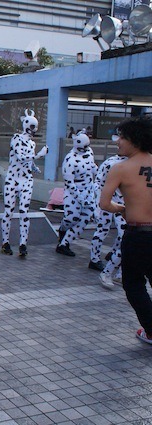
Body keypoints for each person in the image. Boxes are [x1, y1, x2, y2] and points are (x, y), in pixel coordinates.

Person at [99, 116, 152, 344]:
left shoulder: (120, 168)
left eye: (121, 137)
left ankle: (151, 329)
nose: (117, 141)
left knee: (133, 285)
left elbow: (104, 204)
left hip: (138, 236)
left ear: (135, 140)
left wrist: (122, 208)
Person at [0, 109, 48, 257]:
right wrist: (39, 155)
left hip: (26, 180)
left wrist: (34, 167)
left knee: (24, 212)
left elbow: (28, 160)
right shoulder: (15, 138)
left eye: (35, 127)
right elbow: (21, 157)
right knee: (9, 211)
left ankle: (23, 244)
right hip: (13, 179)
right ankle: (5, 242)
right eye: (32, 126)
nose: (34, 130)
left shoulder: (32, 144)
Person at [56, 130, 97, 257]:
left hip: (88, 190)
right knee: (71, 218)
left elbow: (93, 167)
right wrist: (79, 197)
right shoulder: (70, 160)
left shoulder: (89, 152)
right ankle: (63, 229)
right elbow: (69, 182)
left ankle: (64, 244)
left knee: (85, 218)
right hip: (73, 192)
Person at [92, 153, 127, 288]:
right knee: (104, 231)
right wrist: (98, 206)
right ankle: (99, 263)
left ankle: (119, 272)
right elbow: (98, 183)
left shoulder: (139, 164)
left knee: (125, 240)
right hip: (115, 205)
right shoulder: (112, 163)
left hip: (130, 206)